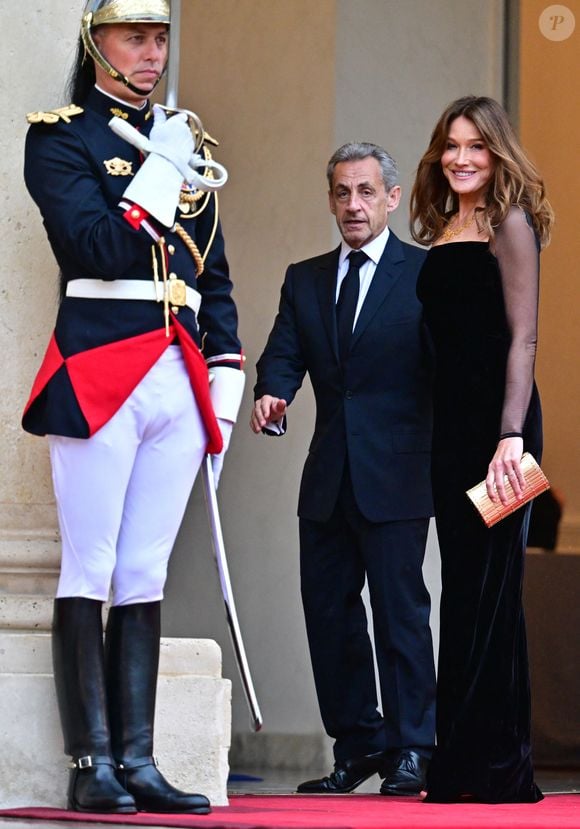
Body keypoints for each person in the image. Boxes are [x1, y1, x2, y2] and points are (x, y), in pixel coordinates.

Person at [22, 0, 244, 815]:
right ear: (97, 44)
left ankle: (139, 759)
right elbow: (98, 246)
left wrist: (223, 381)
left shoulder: (190, 143)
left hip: (178, 374)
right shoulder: (62, 137)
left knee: (144, 570)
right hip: (100, 366)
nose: (152, 54)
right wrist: (160, 168)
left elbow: (212, 274)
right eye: (134, 38)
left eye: (160, 39)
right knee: (92, 562)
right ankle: (91, 761)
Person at [251, 142, 436, 796]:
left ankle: (416, 745)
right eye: (341, 192)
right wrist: (271, 392)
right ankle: (359, 744)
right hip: (327, 479)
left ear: (390, 197)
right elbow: (281, 354)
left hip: (397, 478)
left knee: (399, 614)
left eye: (365, 191)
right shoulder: (305, 279)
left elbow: (449, 373)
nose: (352, 205)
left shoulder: (423, 275)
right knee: (329, 616)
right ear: (330, 198)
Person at [410, 95, 554, 803]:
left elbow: (523, 338)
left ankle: (498, 768)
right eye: (452, 145)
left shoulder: (511, 223)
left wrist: (508, 435)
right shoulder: (443, 227)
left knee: (495, 596)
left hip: (505, 432)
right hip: (453, 434)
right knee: (464, 593)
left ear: (498, 153)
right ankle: (461, 763)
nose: (462, 157)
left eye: (477, 146)